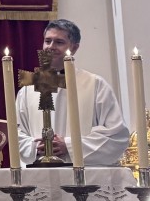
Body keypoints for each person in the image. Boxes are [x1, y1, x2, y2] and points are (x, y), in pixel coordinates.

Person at [16, 19, 130, 165]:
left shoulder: (95, 84)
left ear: (74, 48)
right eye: (47, 41)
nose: (51, 47)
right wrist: (36, 147)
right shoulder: (28, 89)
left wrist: (70, 146)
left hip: (85, 178)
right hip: (40, 174)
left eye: (59, 42)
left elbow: (116, 135)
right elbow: (17, 134)